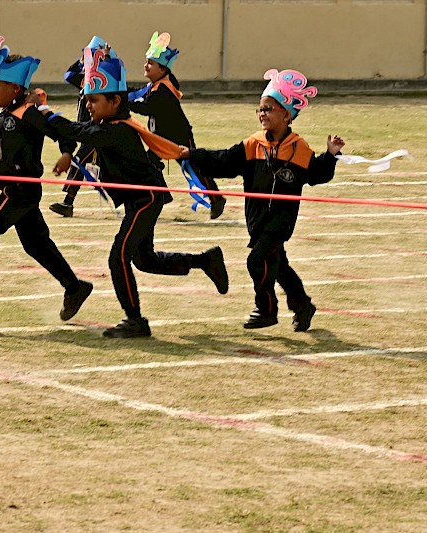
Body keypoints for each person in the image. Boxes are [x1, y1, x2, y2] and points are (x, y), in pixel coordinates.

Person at [33, 47, 229, 338]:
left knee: (118, 256)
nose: (88, 106)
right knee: (145, 260)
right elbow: (78, 130)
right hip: (142, 199)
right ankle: (205, 260)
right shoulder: (108, 123)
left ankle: (135, 320)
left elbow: (76, 131)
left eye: (94, 100)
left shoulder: (115, 131)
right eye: (87, 100)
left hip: (146, 198)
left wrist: (44, 110)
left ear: (115, 101)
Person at [0, 36, 93, 321]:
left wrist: (66, 154)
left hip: (20, 190)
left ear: (14, 88)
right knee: (36, 244)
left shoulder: (29, 112)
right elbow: (5, 136)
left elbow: (59, 130)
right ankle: (75, 287)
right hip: (15, 190)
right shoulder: (7, 113)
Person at [180, 68, 345, 331]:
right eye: (260, 109)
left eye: (268, 108)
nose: (262, 114)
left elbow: (317, 174)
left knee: (256, 261)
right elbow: (223, 161)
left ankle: (266, 310)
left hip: (280, 221)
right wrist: (192, 154)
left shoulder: (299, 149)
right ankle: (303, 305)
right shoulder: (252, 145)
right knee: (278, 266)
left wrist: (330, 155)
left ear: (286, 115)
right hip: (256, 219)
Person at [128, 32, 225, 219]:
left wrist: (124, 103)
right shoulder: (155, 85)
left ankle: (216, 198)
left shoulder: (163, 89)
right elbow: (137, 93)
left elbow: (146, 107)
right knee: (148, 165)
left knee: (193, 168)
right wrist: (120, 90)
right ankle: (161, 195)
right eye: (146, 61)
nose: (146, 65)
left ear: (162, 69)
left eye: (151, 63)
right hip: (160, 138)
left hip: (178, 136)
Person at [49, 36, 113, 218]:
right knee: (108, 168)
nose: (86, 60)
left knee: (79, 161)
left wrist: (106, 58)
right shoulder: (85, 78)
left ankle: (68, 202)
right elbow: (68, 76)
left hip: (96, 129)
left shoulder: (103, 79)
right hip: (84, 128)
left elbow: (111, 72)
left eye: (90, 56)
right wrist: (80, 62)